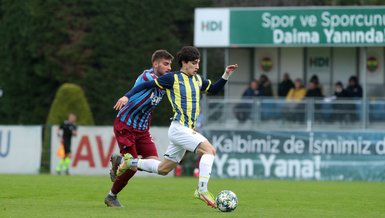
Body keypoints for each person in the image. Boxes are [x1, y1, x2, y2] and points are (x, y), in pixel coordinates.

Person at [114, 46, 238, 208]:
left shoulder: (199, 80)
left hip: (185, 130)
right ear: (184, 63)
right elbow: (146, 86)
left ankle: (128, 163)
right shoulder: (172, 78)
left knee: (163, 169)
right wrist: (126, 96)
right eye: (194, 63)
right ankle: (202, 190)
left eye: (198, 63)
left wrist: (226, 74)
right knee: (210, 150)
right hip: (179, 128)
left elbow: (214, 89)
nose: (197, 66)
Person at [104, 50, 174, 207]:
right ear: (155, 64)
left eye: (170, 64)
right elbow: (165, 81)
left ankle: (121, 161)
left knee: (156, 164)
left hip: (142, 131)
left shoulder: (165, 81)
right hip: (126, 126)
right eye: (165, 64)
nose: (169, 67)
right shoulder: (148, 77)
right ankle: (111, 196)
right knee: (132, 169)